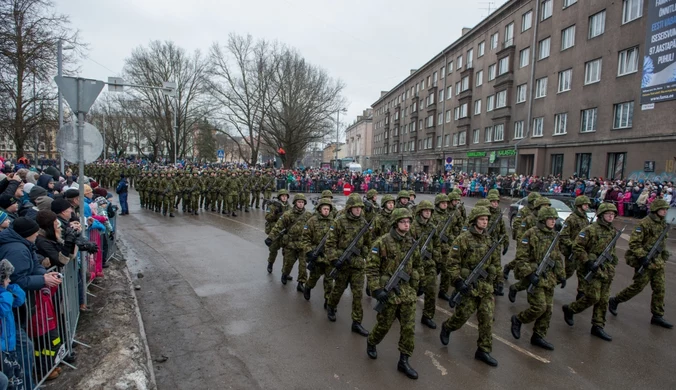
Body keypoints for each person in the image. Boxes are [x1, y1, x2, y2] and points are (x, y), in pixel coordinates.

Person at [439, 206, 500, 367]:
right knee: (461, 317)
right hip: (469, 286)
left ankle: (483, 350)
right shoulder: (463, 239)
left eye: (486, 219)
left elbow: (496, 262)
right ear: (474, 221)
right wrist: (458, 281)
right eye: (482, 219)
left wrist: (497, 279)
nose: (485, 222)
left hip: (485, 287)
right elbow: (452, 263)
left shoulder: (490, 240)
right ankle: (447, 327)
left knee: (486, 319)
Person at [366, 208, 423, 380]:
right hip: (389, 292)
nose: (407, 224)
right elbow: (371, 267)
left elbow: (419, 264)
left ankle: (404, 360)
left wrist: (419, 282)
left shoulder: (412, 242)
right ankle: (372, 341)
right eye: (404, 221)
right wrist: (376, 289)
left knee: (408, 328)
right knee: (384, 325)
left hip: (407, 293)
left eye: (408, 222)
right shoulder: (382, 242)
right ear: (396, 223)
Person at [608, 199, 673, 328]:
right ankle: (616, 300)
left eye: (666, 209)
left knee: (660, 289)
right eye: (663, 209)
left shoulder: (662, 224)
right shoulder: (644, 224)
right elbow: (634, 243)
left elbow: (662, 242)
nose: (665, 211)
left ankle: (657, 315)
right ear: (655, 210)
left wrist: (664, 255)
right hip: (646, 261)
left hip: (658, 262)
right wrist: (643, 256)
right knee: (638, 287)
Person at [510, 206, 565, 350]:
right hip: (535, 276)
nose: (553, 222)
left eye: (554, 219)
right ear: (543, 219)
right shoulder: (530, 234)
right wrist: (529, 273)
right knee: (539, 307)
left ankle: (538, 336)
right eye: (550, 219)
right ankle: (518, 319)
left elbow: (557, 257)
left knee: (548, 310)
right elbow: (521, 258)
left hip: (549, 277)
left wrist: (562, 275)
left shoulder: (553, 235)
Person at [562, 203, 620, 341]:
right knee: (593, 297)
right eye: (608, 214)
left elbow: (611, 250)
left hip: (605, 269)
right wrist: (587, 261)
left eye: (613, 214)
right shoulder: (589, 230)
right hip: (590, 268)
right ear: (601, 215)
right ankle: (571, 309)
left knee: (604, 299)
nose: (611, 216)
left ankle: (598, 326)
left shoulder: (612, 231)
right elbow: (577, 247)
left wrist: (612, 261)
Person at [324, 196, 371, 337]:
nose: (358, 210)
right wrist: (333, 259)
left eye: (360, 208)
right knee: (338, 290)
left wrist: (365, 253)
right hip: (342, 264)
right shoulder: (339, 222)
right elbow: (330, 243)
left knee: (358, 295)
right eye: (356, 207)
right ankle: (331, 306)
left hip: (357, 265)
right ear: (350, 208)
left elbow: (368, 243)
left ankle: (356, 322)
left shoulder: (363, 222)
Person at [507, 196, 551, 303]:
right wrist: (522, 244)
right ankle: (510, 271)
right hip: (528, 247)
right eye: (544, 206)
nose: (546, 208)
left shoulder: (547, 219)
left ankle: (516, 287)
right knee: (527, 270)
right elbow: (519, 230)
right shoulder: (528, 217)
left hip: (540, 250)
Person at [266, 194, 312, 289]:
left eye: (302, 202)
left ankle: (301, 283)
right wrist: (270, 237)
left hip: (303, 244)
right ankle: (285, 274)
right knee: (288, 263)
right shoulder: (288, 214)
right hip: (290, 243)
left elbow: (313, 228)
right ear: (295, 203)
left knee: (303, 265)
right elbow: (278, 226)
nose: (301, 204)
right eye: (299, 202)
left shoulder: (308, 215)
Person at [410, 200, 439, 329]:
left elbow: (437, 244)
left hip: (429, 264)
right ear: (420, 211)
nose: (428, 212)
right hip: (415, 265)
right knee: (412, 293)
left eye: (430, 211)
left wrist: (436, 260)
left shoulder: (432, 227)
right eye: (426, 210)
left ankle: (427, 316)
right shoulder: (412, 226)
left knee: (431, 292)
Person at [301, 198, 334, 308]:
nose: (326, 211)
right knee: (314, 277)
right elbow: (305, 238)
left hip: (329, 256)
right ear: (320, 209)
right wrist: (309, 251)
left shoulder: (334, 222)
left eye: (328, 209)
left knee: (329, 281)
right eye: (324, 209)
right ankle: (308, 287)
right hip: (317, 255)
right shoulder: (312, 221)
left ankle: (328, 302)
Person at [0, 259, 27, 387]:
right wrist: (4, 291)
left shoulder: (6, 293)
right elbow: (4, 309)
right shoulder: (4, 297)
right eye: (6, 279)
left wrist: (9, 287)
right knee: (8, 381)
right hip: (2, 349)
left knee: (16, 378)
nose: (9, 281)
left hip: (10, 346)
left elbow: (20, 299)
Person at [559, 195, 592, 298]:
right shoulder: (571, 219)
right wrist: (572, 245)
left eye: (587, 204)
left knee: (583, 271)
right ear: (579, 205)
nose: (587, 206)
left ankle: (581, 293)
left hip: (582, 251)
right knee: (568, 272)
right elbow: (563, 235)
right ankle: (549, 284)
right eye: (585, 204)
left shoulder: (585, 218)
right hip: (572, 251)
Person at [433, 193, 464, 301]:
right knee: (432, 271)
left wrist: (451, 239)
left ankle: (443, 291)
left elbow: (451, 229)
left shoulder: (450, 215)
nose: (445, 205)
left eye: (446, 202)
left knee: (446, 271)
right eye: (442, 203)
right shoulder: (433, 214)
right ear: (438, 203)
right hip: (434, 247)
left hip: (445, 247)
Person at [486, 190, 509, 295]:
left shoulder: (499, 212)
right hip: (485, 243)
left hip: (495, 243)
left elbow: (503, 230)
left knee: (497, 266)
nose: (495, 204)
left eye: (497, 202)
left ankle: (498, 285)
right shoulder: (484, 212)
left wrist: (506, 243)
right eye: (493, 201)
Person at [264, 190, 291, 274]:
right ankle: (270, 264)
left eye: (286, 196)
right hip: (275, 231)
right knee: (273, 250)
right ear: (279, 197)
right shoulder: (273, 206)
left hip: (285, 232)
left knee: (286, 253)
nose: (284, 197)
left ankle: (285, 272)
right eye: (282, 196)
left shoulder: (288, 206)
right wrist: (275, 213)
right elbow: (267, 218)